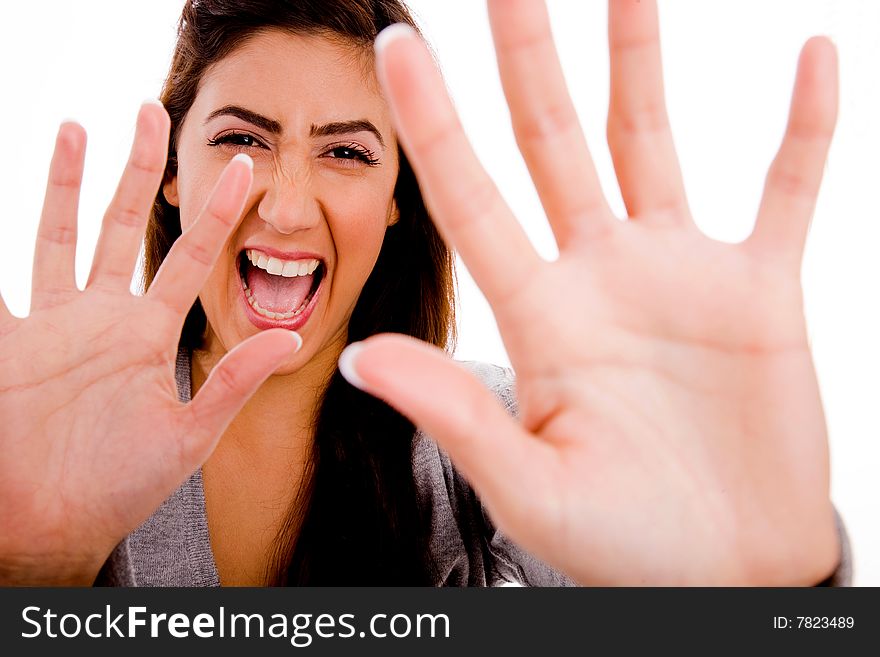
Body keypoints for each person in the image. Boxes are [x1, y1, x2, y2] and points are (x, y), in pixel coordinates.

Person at [0, 0, 848, 586]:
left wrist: (768, 591)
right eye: (240, 139)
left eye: (346, 152)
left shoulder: (503, 436)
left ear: (398, 196)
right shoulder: (52, 439)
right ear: (174, 171)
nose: (286, 207)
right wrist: (24, 573)